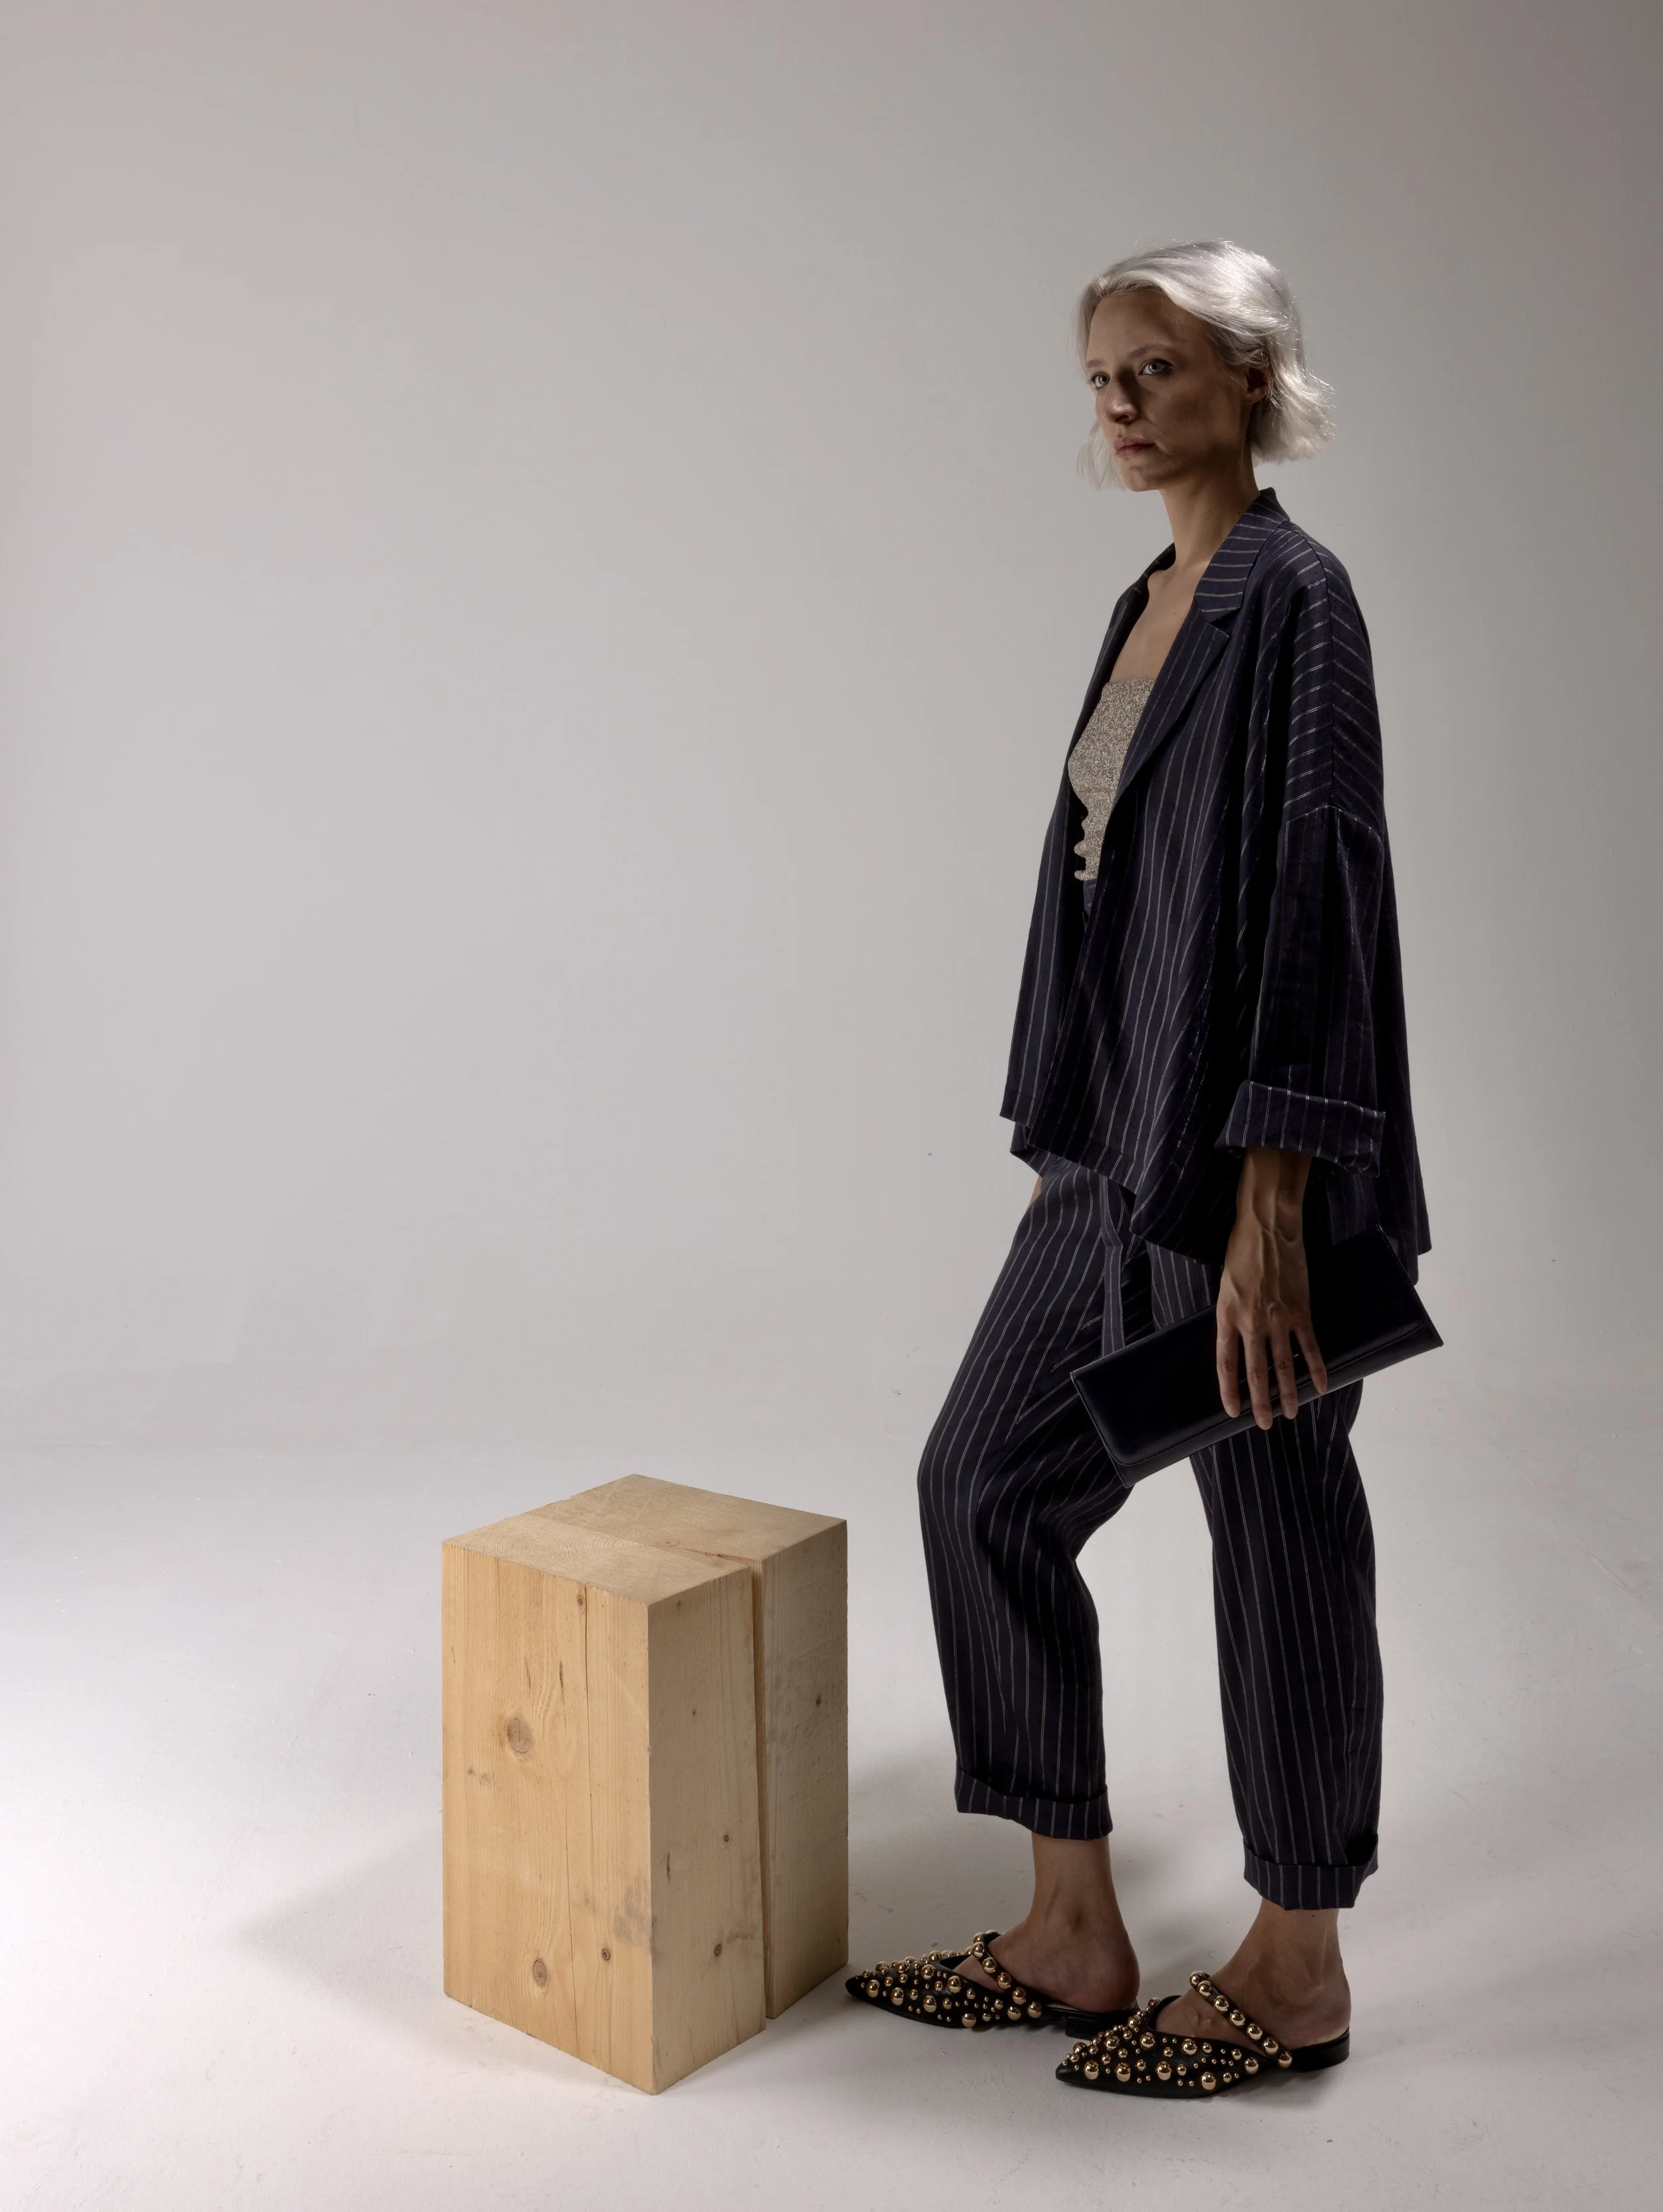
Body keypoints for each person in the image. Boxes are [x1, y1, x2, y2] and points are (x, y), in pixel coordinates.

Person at [847, 241, 1429, 2099]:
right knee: (982, 1486)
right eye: (1101, 371)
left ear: (1248, 378)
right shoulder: (1147, 597)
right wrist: (1061, 1137)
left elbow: (1314, 907)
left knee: (1276, 1534)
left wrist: (1273, 1212)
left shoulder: (1295, 600)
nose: (1118, 400)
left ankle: (1297, 1968)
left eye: (1156, 366)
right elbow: (1098, 901)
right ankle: (1069, 1930)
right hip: (1111, 1155)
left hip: (1245, 1173)